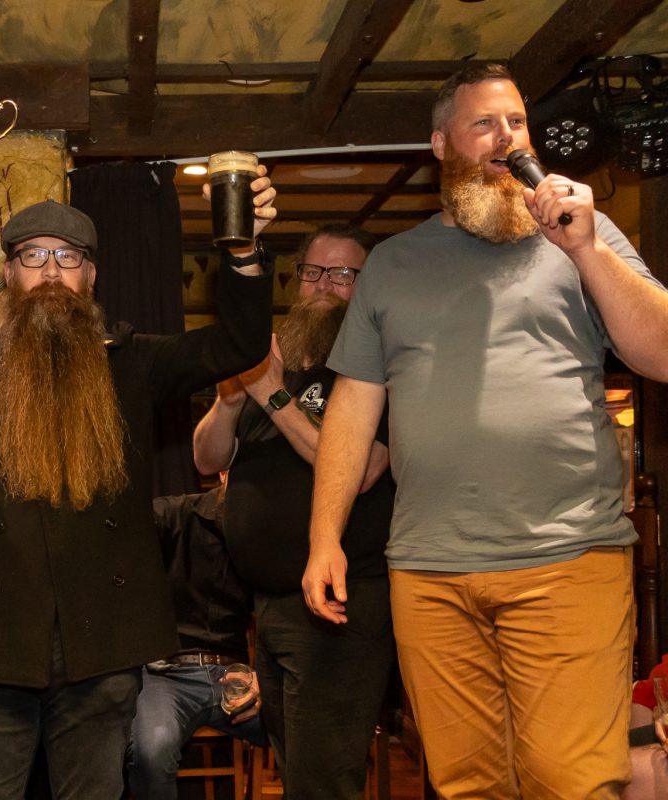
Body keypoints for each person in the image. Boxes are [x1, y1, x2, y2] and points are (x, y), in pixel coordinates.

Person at [303, 63, 668, 799]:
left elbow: (659, 352)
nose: (507, 137)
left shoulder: (584, 240)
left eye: (518, 123)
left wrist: (588, 250)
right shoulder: (395, 264)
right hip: (429, 570)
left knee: (570, 781)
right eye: (485, 123)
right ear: (441, 144)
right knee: (469, 784)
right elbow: (353, 405)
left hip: (567, 555)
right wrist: (323, 539)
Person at [0, 187, 278, 800]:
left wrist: (244, 250)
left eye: (67, 258)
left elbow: (240, 344)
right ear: (10, 273)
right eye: (34, 256)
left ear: (91, 274)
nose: (50, 271)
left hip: (100, 651)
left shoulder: (134, 363)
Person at [191, 224, 394, 798]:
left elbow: (358, 471)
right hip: (271, 606)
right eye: (312, 272)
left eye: (342, 274)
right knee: (291, 765)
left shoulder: (379, 365)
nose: (322, 286)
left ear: (367, 284)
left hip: (338, 605)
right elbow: (207, 458)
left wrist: (273, 395)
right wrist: (233, 399)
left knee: (323, 778)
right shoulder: (275, 359)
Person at [126, 479, 267, 800]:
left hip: (237, 676)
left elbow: (280, 616)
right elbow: (119, 528)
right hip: (167, 675)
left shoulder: (264, 530)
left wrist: (266, 679)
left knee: (310, 734)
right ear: (223, 472)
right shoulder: (174, 514)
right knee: (153, 749)